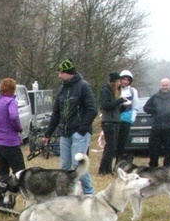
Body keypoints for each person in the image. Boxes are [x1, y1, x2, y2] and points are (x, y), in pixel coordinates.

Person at [44, 59, 98, 194]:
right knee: (64, 167)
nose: (59, 76)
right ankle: (66, 194)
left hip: (79, 133)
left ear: (69, 73)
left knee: (77, 165)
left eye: (61, 73)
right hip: (65, 133)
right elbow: (56, 113)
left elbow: (92, 109)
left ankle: (89, 193)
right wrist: (48, 133)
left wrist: (82, 128)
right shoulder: (61, 89)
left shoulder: (83, 86)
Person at [0, 77, 26, 209]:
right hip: (10, 143)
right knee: (21, 173)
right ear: (12, 90)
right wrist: (19, 129)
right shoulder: (11, 102)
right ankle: (25, 200)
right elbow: (14, 116)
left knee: (2, 174)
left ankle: (1, 203)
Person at [97, 72, 128, 175]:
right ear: (113, 82)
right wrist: (119, 101)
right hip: (108, 122)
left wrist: (124, 106)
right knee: (110, 147)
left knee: (111, 147)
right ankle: (103, 169)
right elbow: (106, 106)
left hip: (115, 121)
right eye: (118, 81)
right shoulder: (106, 91)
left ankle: (107, 169)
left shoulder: (116, 92)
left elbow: (116, 109)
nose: (120, 83)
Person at [116, 69, 139, 164]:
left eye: (127, 80)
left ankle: (118, 163)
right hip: (115, 120)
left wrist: (132, 119)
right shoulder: (115, 90)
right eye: (124, 79)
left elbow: (135, 107)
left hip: (126, 120)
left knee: (122, 144)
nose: (125, 81)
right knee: (113, 144)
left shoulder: (133, 91)